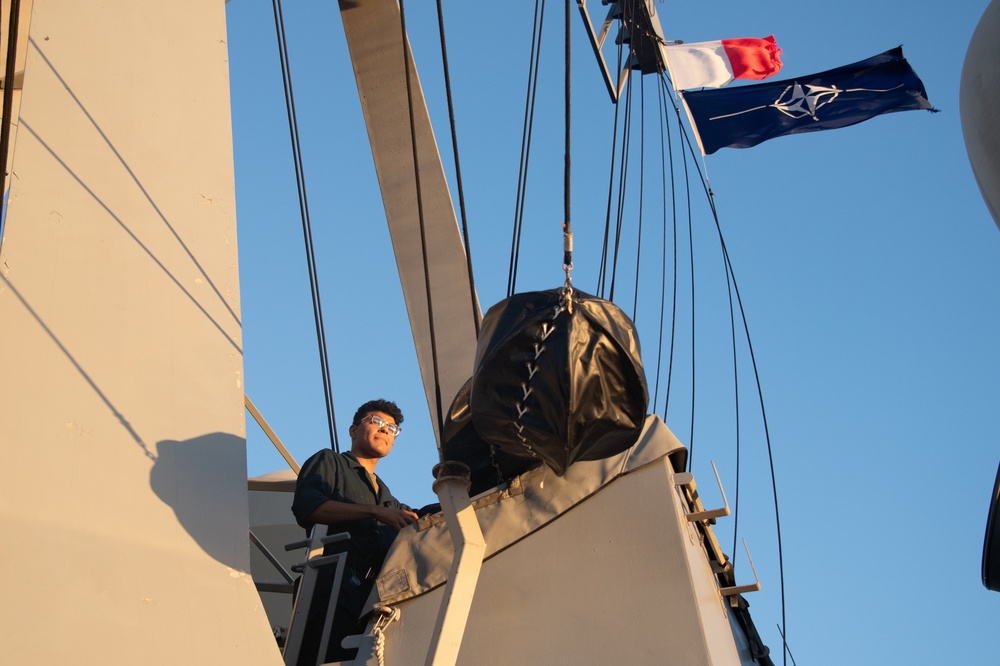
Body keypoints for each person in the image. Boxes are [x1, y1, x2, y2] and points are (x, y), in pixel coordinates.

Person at [291, 399, 419, 664]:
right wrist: (374, 512)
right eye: (376, 421)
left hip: (370, 600)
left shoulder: (388, 499)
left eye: (392, 428)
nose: (385, 429)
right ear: (353, 430)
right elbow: (307, 506)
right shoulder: (330, 462)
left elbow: (419, 518)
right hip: (330, 586)